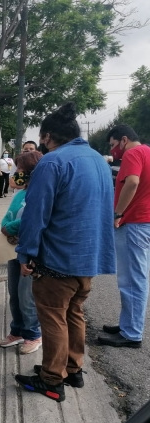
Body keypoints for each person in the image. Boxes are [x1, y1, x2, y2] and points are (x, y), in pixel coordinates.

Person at [15, 102, 115, 402]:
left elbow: (36, 213)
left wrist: (26, 253)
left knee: (53, 317)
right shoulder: (98, 159)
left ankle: (51, 380)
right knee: (75, 313)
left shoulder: (52, 162)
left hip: (58, 258)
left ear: (46, 137)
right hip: (89, 257)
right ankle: (72, 369)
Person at [99, 125, 150, 348]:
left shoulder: (133, 153)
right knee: (133, 278)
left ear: (124, 140)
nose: (113, 150)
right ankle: (127, 324)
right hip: (143, 221)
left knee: (132, 280)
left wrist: (118, 212)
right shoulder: (147, 151)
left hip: (134, 222)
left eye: (113, 145)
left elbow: (133, 181)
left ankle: (131, 334)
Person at [0, 151, 43, 355]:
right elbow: (6, 218)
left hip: (31, 251)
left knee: (27, 296)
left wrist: (12, 227)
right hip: (13, 250)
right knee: (14, 294)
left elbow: (31, 220)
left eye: (21, 170)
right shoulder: (20, 194)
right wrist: (6, 228)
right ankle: (16, 331)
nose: (17, 173)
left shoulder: (41, 193)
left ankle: (33, 334)